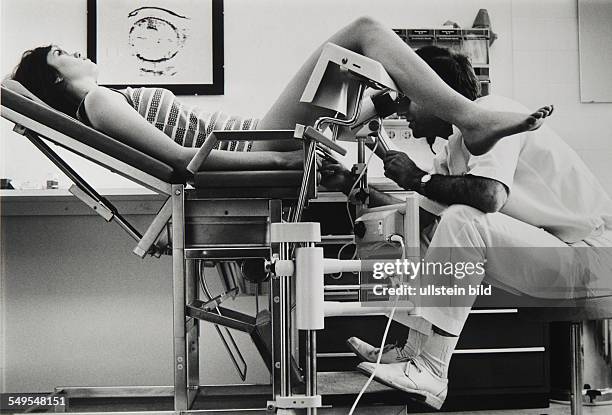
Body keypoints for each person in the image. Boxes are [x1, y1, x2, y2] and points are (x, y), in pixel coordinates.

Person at [322, 45, 612, 410]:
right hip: (554, 252)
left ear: (436, 92)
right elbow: (420, 218)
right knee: (426, 230)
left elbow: (489, 197)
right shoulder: (454, 147)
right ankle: (410, 352)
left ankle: (431, 369)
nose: (404, 110)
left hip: (589, 255)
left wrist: (417, 177)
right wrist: (353, 183)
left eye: (409, 99)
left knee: (461, 219)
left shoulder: (490, 116)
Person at [10, 17, 551, 180]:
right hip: (253, 145)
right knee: (362, 32)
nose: (75, 51)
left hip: (260, 139)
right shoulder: (101, 101)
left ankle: (450, 115)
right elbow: (179, 162)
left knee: (359, 66)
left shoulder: (106, 100)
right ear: (53, 79)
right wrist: (281, 158)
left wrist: (290, 152)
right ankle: (471, 117)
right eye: (62, 53)